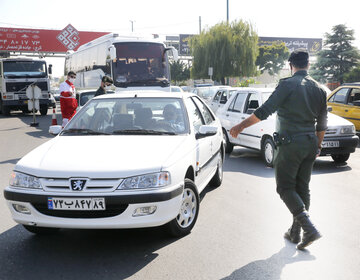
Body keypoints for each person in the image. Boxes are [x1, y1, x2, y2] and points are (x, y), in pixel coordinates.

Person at [229, 49, 328, 250]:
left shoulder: (287, 85)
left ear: (291, 66)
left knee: (284, 187)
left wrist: (240, 126)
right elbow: (322, 124)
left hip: (290, 144)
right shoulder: (319, 89)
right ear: (308, 65)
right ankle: (295, 232)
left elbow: (264, 111)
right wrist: (317, 145)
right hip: (310, 144)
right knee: (302, 189)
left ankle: (308, 228)